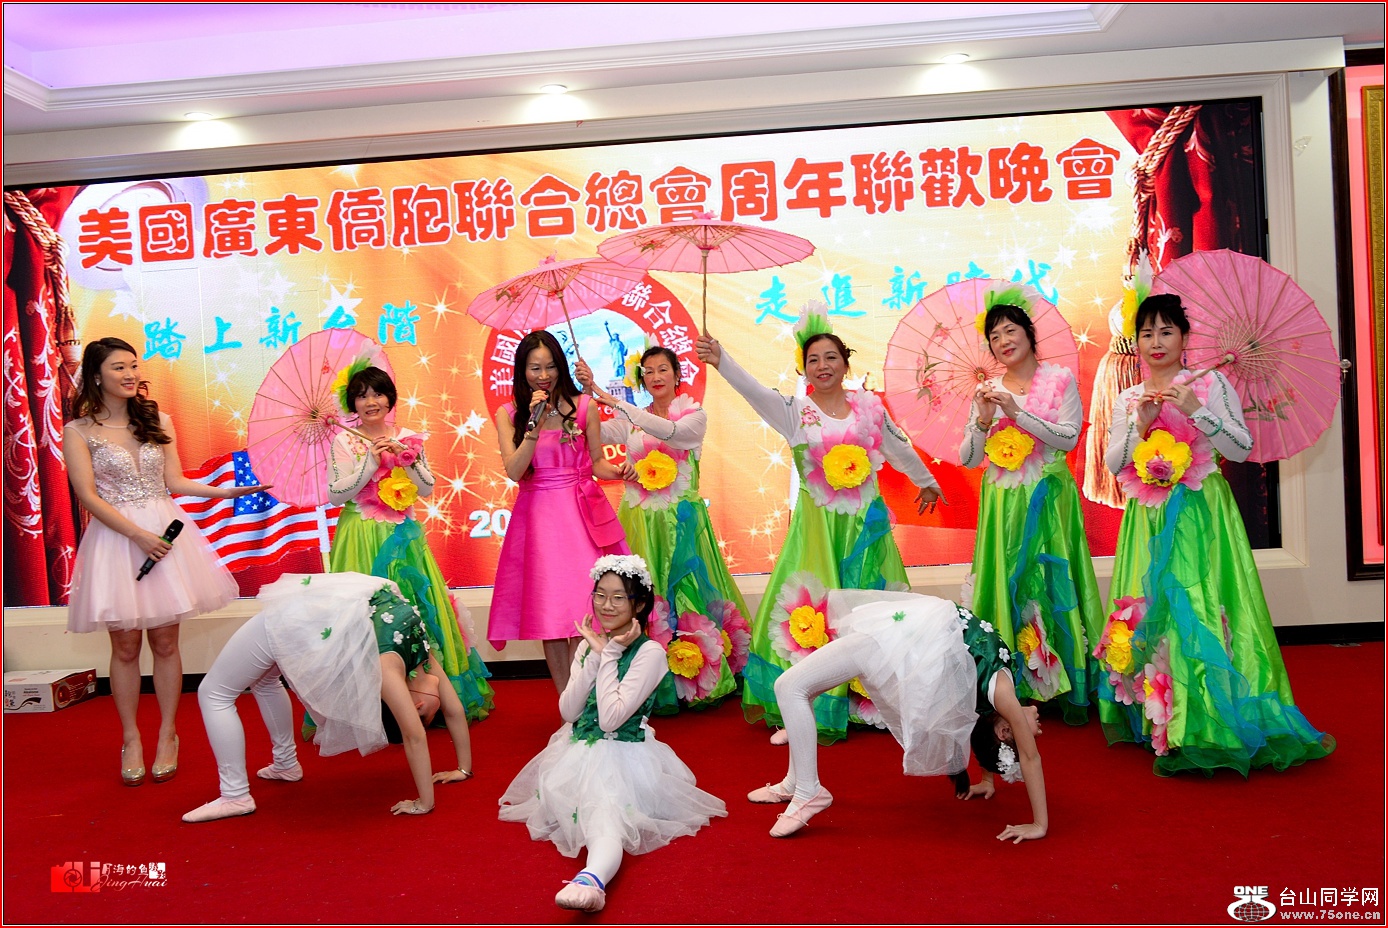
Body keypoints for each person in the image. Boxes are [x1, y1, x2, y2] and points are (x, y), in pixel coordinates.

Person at [1097, 293, 1334, 775]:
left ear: (1185, 338)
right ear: (1136, 342)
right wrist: (1140, 426)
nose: (1156, 342)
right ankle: (1162, 716)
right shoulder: (1130, 397)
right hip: (1148, 517)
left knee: (1203, 604)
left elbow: (1242, 448)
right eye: (1147, 333)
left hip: (1203, 514)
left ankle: (1209, 715)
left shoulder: (1210, 383)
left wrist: (1197, 410)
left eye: (1166, 331)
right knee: (1152, 607)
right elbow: (1113, 463)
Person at [695, 304, 943, 743]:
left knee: (870, 608)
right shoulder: (796, 411)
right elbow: (753, 391)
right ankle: (800, 708)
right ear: (804, 368)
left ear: (846, 363)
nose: (823, 365)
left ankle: (872, 702)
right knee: (813, 612)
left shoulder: (869, 408)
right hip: (816, 533)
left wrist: (926, 481)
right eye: (813, 359)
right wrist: (721, 360)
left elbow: (898, 447)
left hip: (865, 529)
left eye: (831, 357)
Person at [63, 337, 264, 787]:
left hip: (167, 534)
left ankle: (168, 733)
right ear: (96, 375)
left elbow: (175, 481)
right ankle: (131, 738)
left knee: (167, 643)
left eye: (134, 365)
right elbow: (87, 496)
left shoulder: (158, 419)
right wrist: (137, 535)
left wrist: (228, 492)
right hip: (117, 541)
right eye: (119, 367)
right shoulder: (78, 431)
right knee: (125, 647)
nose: (130, 374)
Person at [498, 554, 726, 913]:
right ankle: (592, 874)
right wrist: (594, 655)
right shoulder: (590, 644)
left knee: (604, 816)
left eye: (619, 597)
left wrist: (610, 655)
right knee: (588, 811)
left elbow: (611, 719)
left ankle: (592, 880)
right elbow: (569, 712)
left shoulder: (650, 653)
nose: (606, 605)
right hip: (575, 752)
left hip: (623, 755)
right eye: (600, 595)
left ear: (639, 604)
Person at [748, 590, 1047, 842]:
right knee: (797, 689)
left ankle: (808, 791)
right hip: (896, 635)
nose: (1038, 726)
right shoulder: (996, 702)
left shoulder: (1004, 696)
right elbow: (983, 723)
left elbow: (1030, 758)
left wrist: (1039, 825)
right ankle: (796, 782)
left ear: (1006, 732)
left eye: (1032, 731)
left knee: (790, 688)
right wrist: (988, 780)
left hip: (886, 644)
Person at [182, 572, 474, 822]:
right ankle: (263, 777)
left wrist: (462, 770)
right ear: (416, 705)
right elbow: (418, 734)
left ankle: (243, 791)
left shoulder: (416, 668)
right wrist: (426, 802)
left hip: (309, 616)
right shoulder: (411, 665)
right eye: (424, 717)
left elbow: (448, 713)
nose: (433, 714)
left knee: (228, 689)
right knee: (219, 692)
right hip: (297, 616)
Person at [576, 344, 750, 712]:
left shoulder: (693, 415)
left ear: (677, 375)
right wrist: (586, 395)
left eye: (662, 370)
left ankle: (693, 675)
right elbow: (594, 434)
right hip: (640, 520)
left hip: (680, 523)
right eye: (649, 372)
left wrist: (616, 402)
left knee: (687, 592)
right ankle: (638, 680)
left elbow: (671, 432)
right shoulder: (632, 420)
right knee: (639, 594)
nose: (655, 377)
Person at [959, 295, 1105, 724]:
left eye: (1011, 330)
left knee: (1052, 580)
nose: (1003, 340)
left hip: (1049, 500)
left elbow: (1069, 438)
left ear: (1029, 333)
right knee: (1007, 581)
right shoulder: (987, 390)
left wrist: (1016, 413)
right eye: (994, 335)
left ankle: (1063, 682)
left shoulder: (1059, 379)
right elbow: (969, 458)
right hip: (1004, 505)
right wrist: (983, 419)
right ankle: (1009, 685)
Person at [327, 362, 494, 721]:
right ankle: (373, 709)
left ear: (390, 399)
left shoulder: (407, 436)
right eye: (362, 396)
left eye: (378, 394)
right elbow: (336, 494)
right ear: (353, 404)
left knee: (415, 607)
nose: (371, 402)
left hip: (403, 536)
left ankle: (428, 695)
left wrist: (408, 455)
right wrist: (369, 463)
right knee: (364, 616)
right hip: (359, 537)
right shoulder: (344, 440)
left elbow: (427, 488)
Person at [490, 331, 629, 693]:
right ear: (522, 371)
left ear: (561, 367)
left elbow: (597, 462)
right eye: (534, 368)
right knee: (549, 614)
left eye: (550, 366)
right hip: (538, 521)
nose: (543, 375)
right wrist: (532, 427)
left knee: (585, 607)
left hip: (581, 517)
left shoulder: (584, 407)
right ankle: (567, 703)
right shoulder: (509, 414)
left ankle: (585, 696)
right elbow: (514, 471)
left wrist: (623, 471)